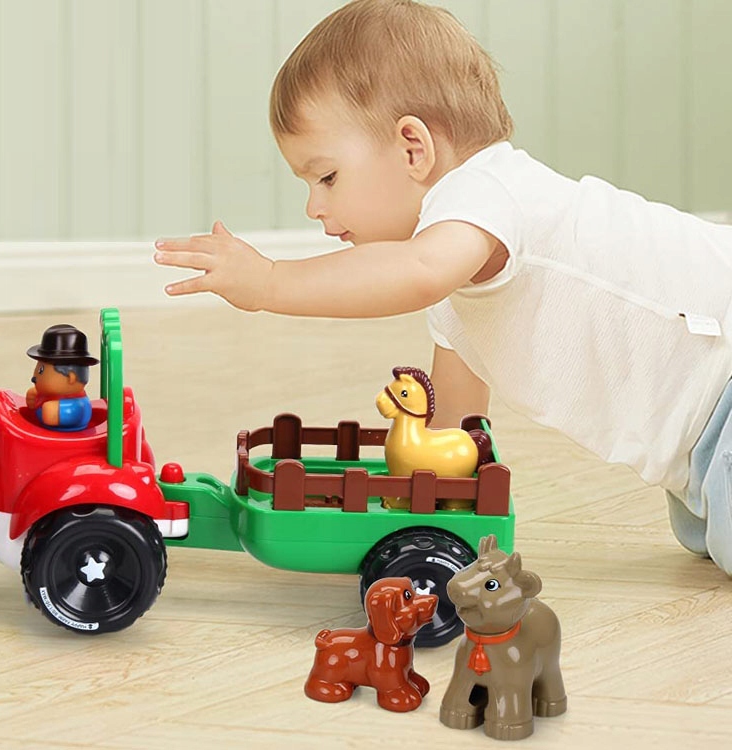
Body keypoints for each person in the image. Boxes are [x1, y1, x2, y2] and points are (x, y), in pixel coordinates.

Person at [152, 0, 732, 573]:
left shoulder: (487, 191)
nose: (314, 206)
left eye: (326, 177)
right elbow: (454, 427)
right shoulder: (457, 285)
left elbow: (416, 271)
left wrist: (271, 282)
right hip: (693, 454)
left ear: (414, 148)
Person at [25, 324, 99, 431]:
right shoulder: (47, 395)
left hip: (70, 440)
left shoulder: (78, 406)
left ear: (71, 378)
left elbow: (51, 417)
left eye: (41, 371)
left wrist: (55, 413)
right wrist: (35, 398)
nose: (34, 378)